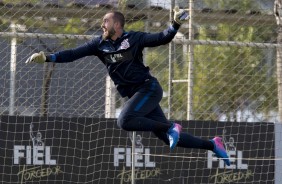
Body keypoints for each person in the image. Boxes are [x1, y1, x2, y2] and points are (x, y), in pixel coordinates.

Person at [25, 8, 230, 166]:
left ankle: (171, 127)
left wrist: (175, 24)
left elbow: (162, 37)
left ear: (117, 24)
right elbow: (72, 53)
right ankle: (213, 144)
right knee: (168, 140)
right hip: (136, 97)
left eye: (105, 21)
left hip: (148, 89)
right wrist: (47, 58)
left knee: (124, 121)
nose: (102, 25)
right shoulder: (99, 45)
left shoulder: (134, 38)